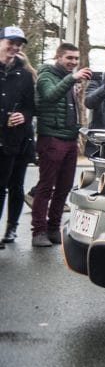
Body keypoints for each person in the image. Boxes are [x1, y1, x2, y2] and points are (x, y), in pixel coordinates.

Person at [30, 42, 91, 248]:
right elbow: (49, 95)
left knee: (64, 187)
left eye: (75, 59)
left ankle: (53, 229)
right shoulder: (46, 76)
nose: (73, 62)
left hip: (69, 139)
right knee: (46, 187)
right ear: (58, 57)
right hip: (51, 139)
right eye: (69, 58)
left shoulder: (69, 79)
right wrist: (71, 78)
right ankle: (38, 232)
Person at [0, 27, 36, 249]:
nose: (14, 47)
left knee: (15, 186)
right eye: (10, 42)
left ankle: (12, 227)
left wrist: (23, 115)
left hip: (18, 140)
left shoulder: (24, 75)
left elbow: (31, 108)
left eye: (18, 44)